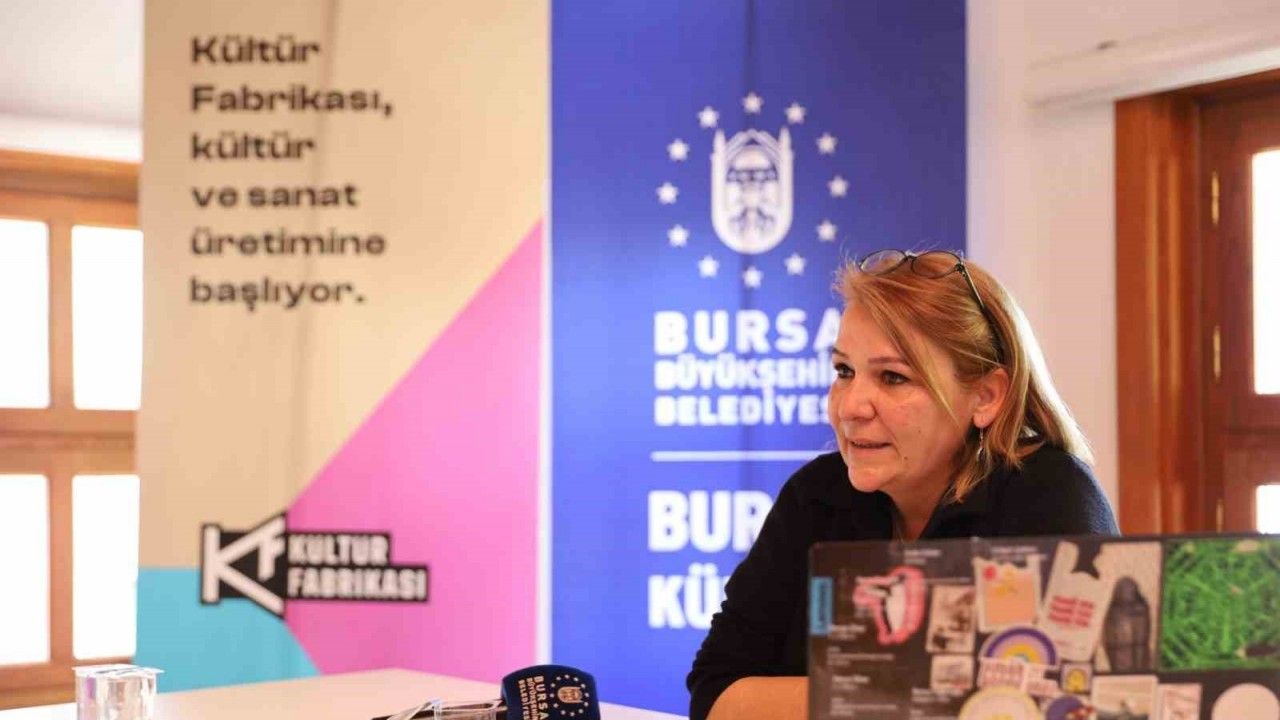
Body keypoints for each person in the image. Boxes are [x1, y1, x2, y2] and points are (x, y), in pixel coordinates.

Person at [686, 249, 1119, 720]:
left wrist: (854, 694)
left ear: (986, 396)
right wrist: (909, 693)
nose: (850, 406)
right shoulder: (816, 495)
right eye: (844, 371)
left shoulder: (1050, 495)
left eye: (893, 377)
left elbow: (1079, 702)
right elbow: (717, 694)